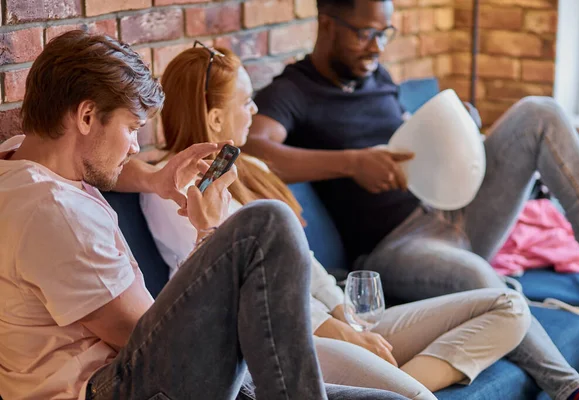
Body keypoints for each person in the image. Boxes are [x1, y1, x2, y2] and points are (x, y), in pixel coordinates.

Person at [0, 30, 410, 400]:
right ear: (87, 116)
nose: (135, 148)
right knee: (266, 224)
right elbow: (159, 344)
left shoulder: (20, 161)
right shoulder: (54, 213)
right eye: (132, 128)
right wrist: (208, 230)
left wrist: (156, 180)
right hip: (115, 387)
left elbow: (105, 168)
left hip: (134, 374)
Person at [241, 0, 579, 398]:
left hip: (451, 210)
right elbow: (255, 149)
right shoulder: (292, 91)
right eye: (365, 34)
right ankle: (571, 388)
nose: (376, 47)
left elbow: (409, 141)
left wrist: (459, 130)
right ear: (327, 24)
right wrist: (353, 163)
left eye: (384, 34)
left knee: (540, 112)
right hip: (397, 245)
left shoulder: (378, 78)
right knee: (479, 279)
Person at [141, 44, 533, 399]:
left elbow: (304, 261)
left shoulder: (251, 168)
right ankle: (403, 388)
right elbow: (250, 290)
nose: (255, 111)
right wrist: (338, 332)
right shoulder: (174, 190)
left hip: (331, 320)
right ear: (213, 118)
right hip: (285, 339)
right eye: (246, 103)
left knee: (510, 306)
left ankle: (399, 381)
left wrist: (348, 316)